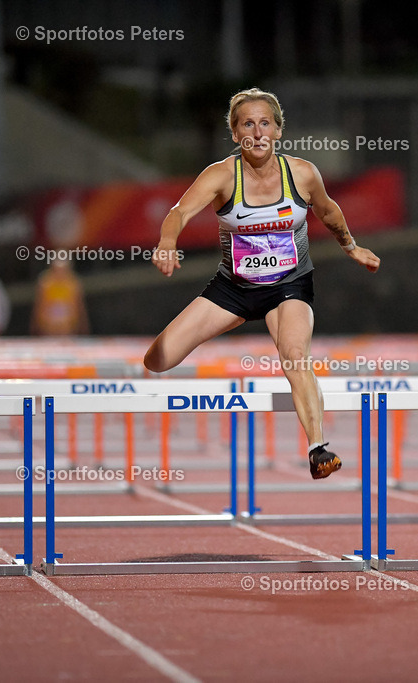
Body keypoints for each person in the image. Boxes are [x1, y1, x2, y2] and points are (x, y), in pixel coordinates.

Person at [144, 87, 380, 479]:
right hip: (232, 290)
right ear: (236, 135)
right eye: (247, 125)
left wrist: (350, 246)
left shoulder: (302, 173)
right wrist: (167, 243)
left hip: (288, 287)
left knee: (294, 353)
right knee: (158, 360)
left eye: (265, 123)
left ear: (278, 131)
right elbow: (179, 211)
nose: (257, 132)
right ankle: (236, 318)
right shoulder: (221, 175)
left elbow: (328, 210)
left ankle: (318, 448)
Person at [31, 255, 89, 336]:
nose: (60, 274)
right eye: (57, 270)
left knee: (63, 320)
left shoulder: (73, 283)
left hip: (68, 323)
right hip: (48, 322)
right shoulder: (45, 283)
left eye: (62, 270)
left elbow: (79, 306)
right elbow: (39, 306)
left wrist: (83, 326)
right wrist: (35, 326)